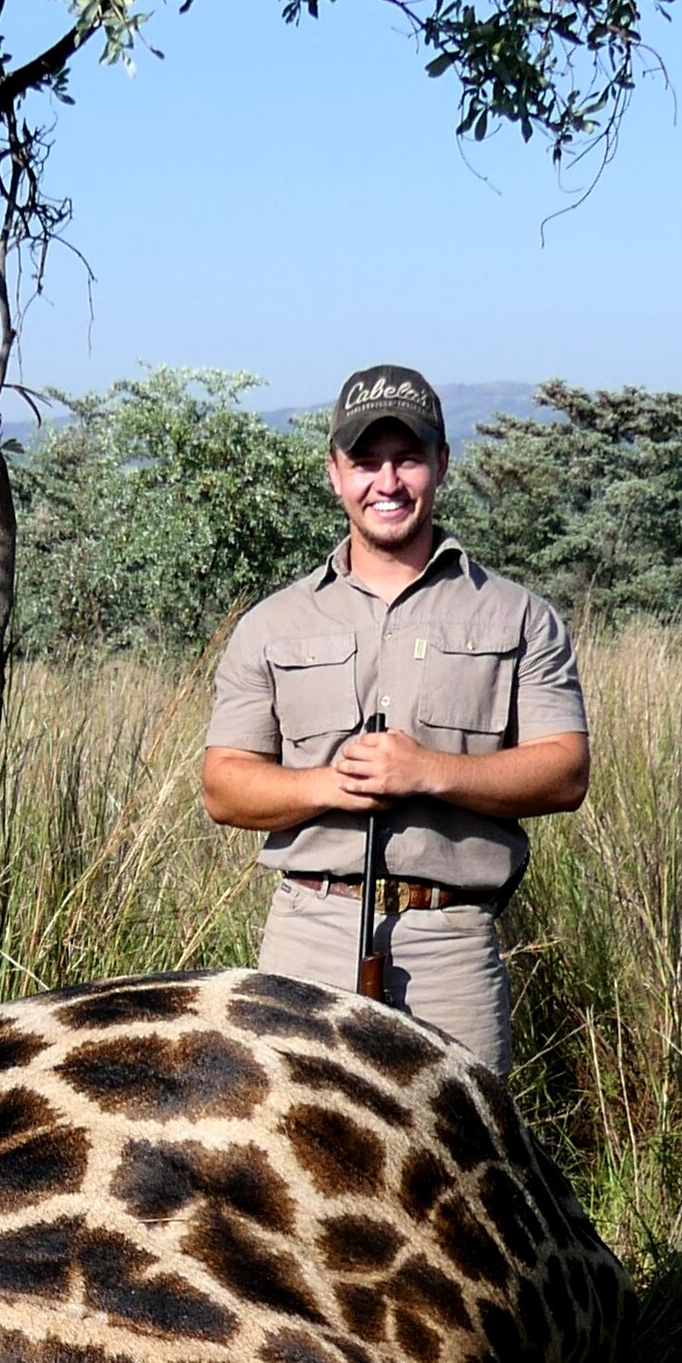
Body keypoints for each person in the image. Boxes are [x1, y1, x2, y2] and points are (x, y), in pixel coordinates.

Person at [201, 362, 590, 1076]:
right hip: (307, 935)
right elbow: (224, 787)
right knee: (296, 1166)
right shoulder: (270, 623)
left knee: (461, 1168)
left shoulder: (518, 615)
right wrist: (328, 787)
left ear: (440, 464)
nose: (387, 482)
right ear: (333, 473)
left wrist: (427, 773)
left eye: (406, 458)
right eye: (365, 462)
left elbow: (563, 772)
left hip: (452, 941)